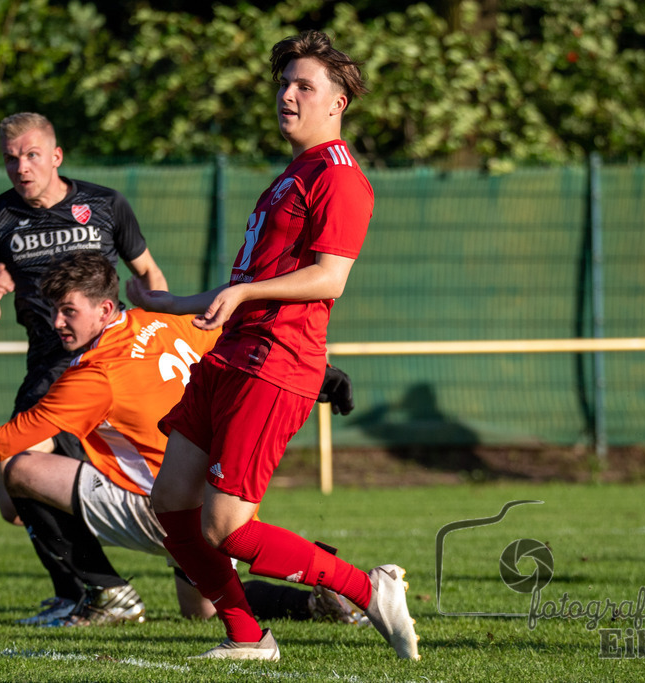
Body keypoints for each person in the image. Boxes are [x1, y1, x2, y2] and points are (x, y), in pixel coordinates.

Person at [0, 251, 363, 627]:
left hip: (162, 505)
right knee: (203, 609)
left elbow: (7, 440)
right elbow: (241, 352)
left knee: (19, 470)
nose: (57, 322)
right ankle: (315, 600)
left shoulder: (97, 373)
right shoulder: (167, 323)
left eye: (69, 310)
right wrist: (322, 376)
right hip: (209, 496)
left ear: (106, 310)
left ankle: (105, 594)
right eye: (54, 311)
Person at [125, 30, 421, 661]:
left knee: (226, 528)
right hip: (230, 355)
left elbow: (330, 276)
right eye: (284, 83)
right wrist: (169, 304)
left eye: (303, 86)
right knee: (171, 505)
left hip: (276, 364)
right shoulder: (294, 173)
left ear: (337, 103)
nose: (287, 95)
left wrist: (244, 293)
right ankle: (247, 637)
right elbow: (243, 288)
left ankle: (366, 589)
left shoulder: (340, 177)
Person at [0, 112, 169, 624]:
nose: (21, 167)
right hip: (49, 372)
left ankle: (96, 592)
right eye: (11, 158)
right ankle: (82, 589)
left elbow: (147, 275)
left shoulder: (103, 205)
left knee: (20, 472)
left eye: (32, 154)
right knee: (14, 505)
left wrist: (161, 328)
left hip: (114, 365)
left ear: (57, 156)